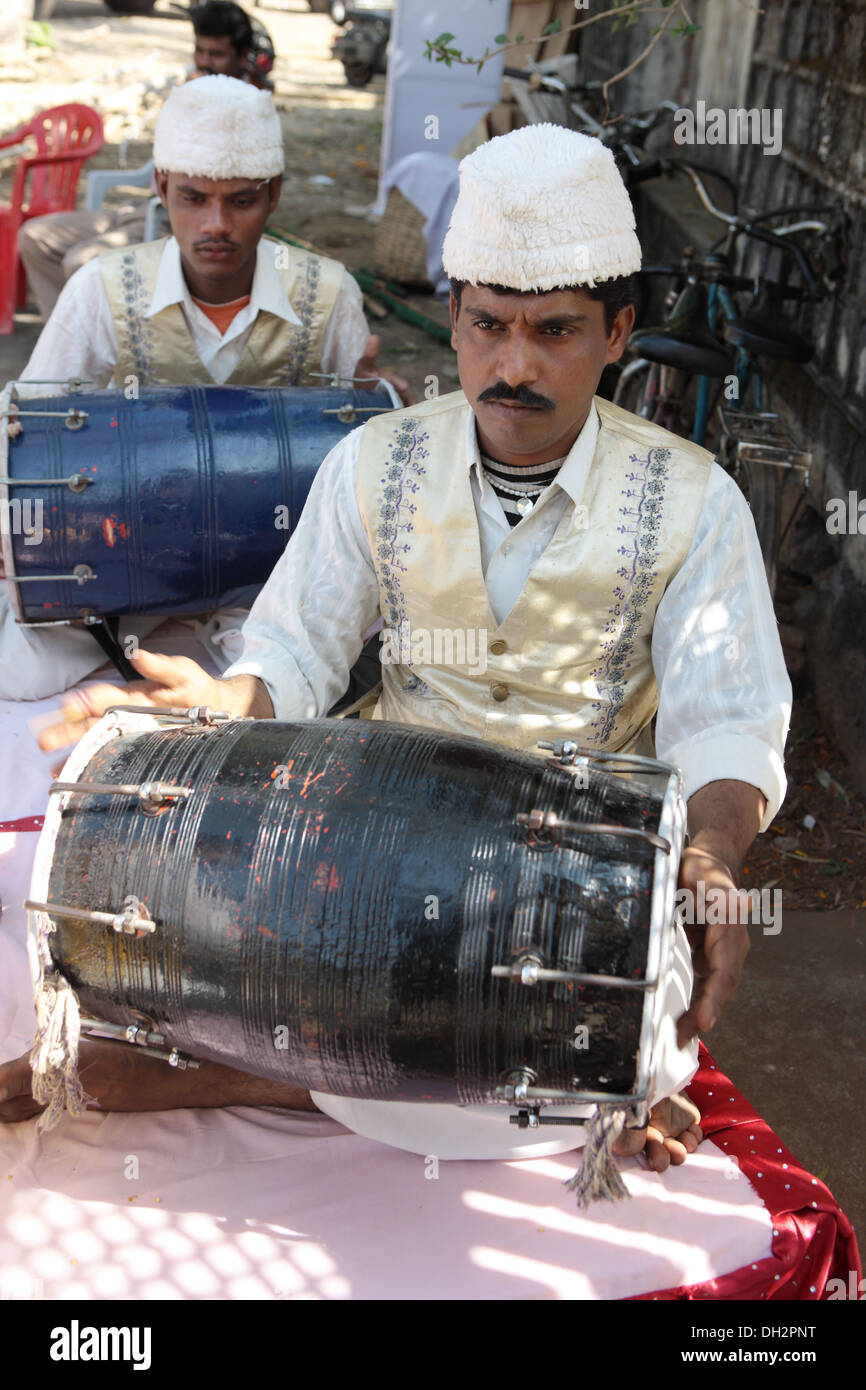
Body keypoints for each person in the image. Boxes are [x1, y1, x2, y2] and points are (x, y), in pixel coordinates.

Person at [1, 126, 791, 1176]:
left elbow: (728, 719)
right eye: (486, 325)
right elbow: (296, 644)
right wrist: (233, 699)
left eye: (554, 331)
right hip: (377, 847)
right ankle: (355, 1069)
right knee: (207, 939)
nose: (513, 366)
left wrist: (713, 853)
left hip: (579, 879)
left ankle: (251, 1074)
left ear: (616, 334)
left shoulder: (697, 502)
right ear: (453, 316)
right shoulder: (375, 461)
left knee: (566, 1029)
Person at [2, 75, 407, 702]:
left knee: (294, 696)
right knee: (20, 675)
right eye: (193, 198)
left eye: (241, 201)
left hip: (274, 578)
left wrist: (378, 412)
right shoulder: (102, 289)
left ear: (273, 194)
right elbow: (28, 428)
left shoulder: (328, 294)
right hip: (126, 570)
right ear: (161, 186)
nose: (216, 224)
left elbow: (364, 449)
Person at [17, 2, 276, 320]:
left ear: (241, 56)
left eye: (216, 54)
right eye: (200, 51)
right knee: (35, 236)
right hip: (139, 208)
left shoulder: (250, 107)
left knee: (82, 261)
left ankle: (100, 341)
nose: (205, 62)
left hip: (171, 219)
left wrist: (197, 104)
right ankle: (67, 334)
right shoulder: (193, 91)